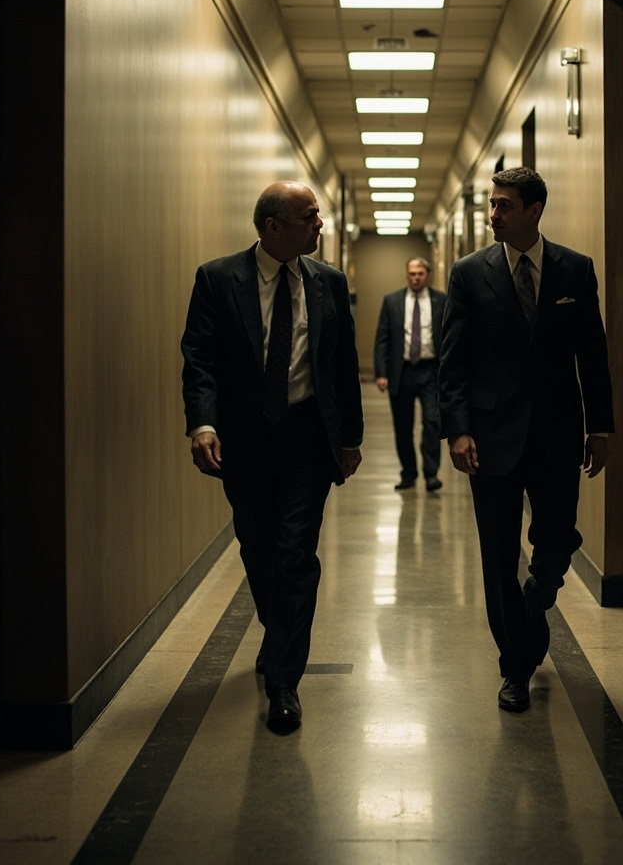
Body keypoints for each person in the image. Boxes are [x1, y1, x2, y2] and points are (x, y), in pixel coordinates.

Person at [180, 181, 363, 734]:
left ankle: (284, 681)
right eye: (310, 217)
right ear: (273, 226)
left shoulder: (328, 282)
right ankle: (279, 631)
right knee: (258, 548)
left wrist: (349, 439)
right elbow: (199, 358)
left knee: (295, 555)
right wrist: (202, 422)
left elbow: (341, 365)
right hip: (246, 439)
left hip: (307, 438)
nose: (320, 226)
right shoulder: (218, 279)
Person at [438, 166, 614, 713]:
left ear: (534, 210)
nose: (493, 214)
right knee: (496, 557)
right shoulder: (469, 273)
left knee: (556, 538)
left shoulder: (574, 271)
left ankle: (540, 591)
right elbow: (454, 361)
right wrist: (458, 428)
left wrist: (601, 426)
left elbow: (594, 354)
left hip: (559, 434)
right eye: (491, 204)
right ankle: (515, 668)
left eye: (504, 205)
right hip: (490, 437)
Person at [373, 257, 446, 492]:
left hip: (431, 370)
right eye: (412, 274)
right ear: (407, 275)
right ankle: (409, 474)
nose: (416, 278)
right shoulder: (392, 301)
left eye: (420, 274)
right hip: (401, 371)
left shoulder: (441, 301)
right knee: (403, 427)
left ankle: (432, 474)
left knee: (433, 423)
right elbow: (382, 339)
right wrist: (381, 373)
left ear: (428, 275)